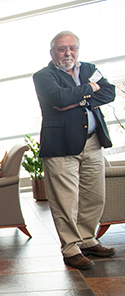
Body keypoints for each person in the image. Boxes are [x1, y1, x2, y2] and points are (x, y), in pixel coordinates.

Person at [33, 31, 116, 270]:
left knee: (94, 195)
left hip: (93, 141)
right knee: (65, 201)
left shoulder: (89, 68)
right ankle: (71, 248)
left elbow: (108, 92)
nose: (68, 53)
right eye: (62, 49)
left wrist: (79, 99)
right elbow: (58, 97)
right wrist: (90, 89)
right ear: (52, 53)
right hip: (60, 145)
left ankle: (88, 240)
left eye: (73, 48)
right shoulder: (43, 76)